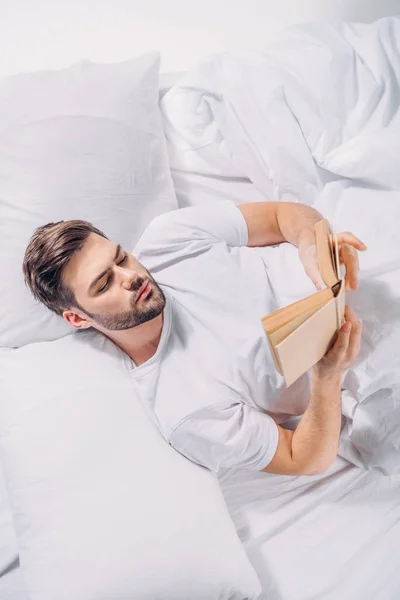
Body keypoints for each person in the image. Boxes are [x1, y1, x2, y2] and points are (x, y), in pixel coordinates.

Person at [23, 200, 366, 476]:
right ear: (78, 318)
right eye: (104, 283)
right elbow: (304, 459)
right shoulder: (184, 409)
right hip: (366, 370)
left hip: (365, 269)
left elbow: (281, 215)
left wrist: (311, 246)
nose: (130, 276)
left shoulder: (169, 237)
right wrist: (327, 377)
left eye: (121, 258)